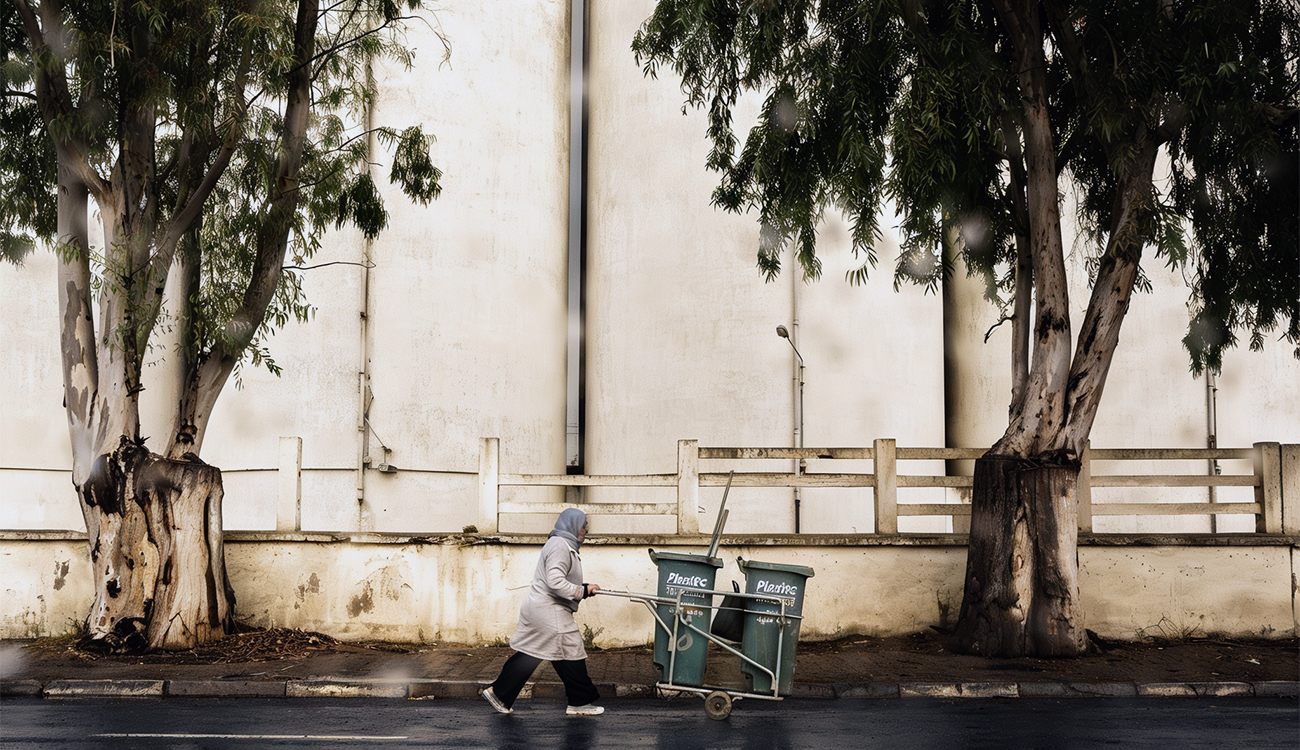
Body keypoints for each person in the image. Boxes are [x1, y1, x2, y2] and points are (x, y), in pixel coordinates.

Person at [482, 508, 605, 716]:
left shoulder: (562, 544)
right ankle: (580, 701)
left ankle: (500, 694)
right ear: (573, 525)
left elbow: (559, 578)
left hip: (545, 609)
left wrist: (584, 587)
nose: (586, 530)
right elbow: (555, 581)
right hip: (549, 611)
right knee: (570, 650)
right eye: (584, 525)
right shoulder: (559, 545)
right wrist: (581, 591)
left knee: (537, 653)